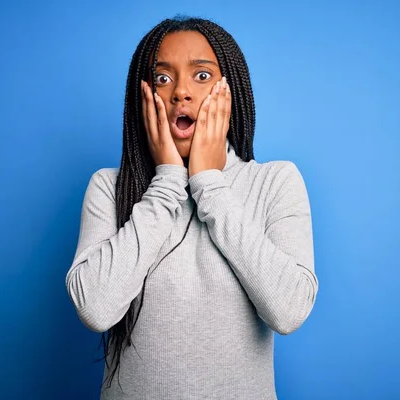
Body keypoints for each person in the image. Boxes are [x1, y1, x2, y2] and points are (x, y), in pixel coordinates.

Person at [65, 16, 318, 400]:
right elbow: (95, 309)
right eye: (163, 78)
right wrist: (167, 180)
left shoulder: (275, 181)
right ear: (143, 96)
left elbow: (289, 311)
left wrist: (209, 184)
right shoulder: (109, 186)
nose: (181, 92)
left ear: (230, 89)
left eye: (201, 76)